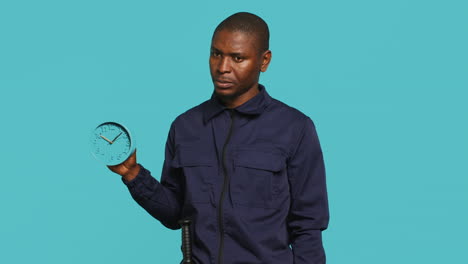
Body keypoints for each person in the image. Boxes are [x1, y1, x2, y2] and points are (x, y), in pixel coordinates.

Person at [108, 12, 329, 264]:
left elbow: (308, 226)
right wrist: (134, 175)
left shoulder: (294, 128)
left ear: (263, 61)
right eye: (216, 54)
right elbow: (174, 214)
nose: (223, 67)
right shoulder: (185, 126)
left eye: (237, 58)